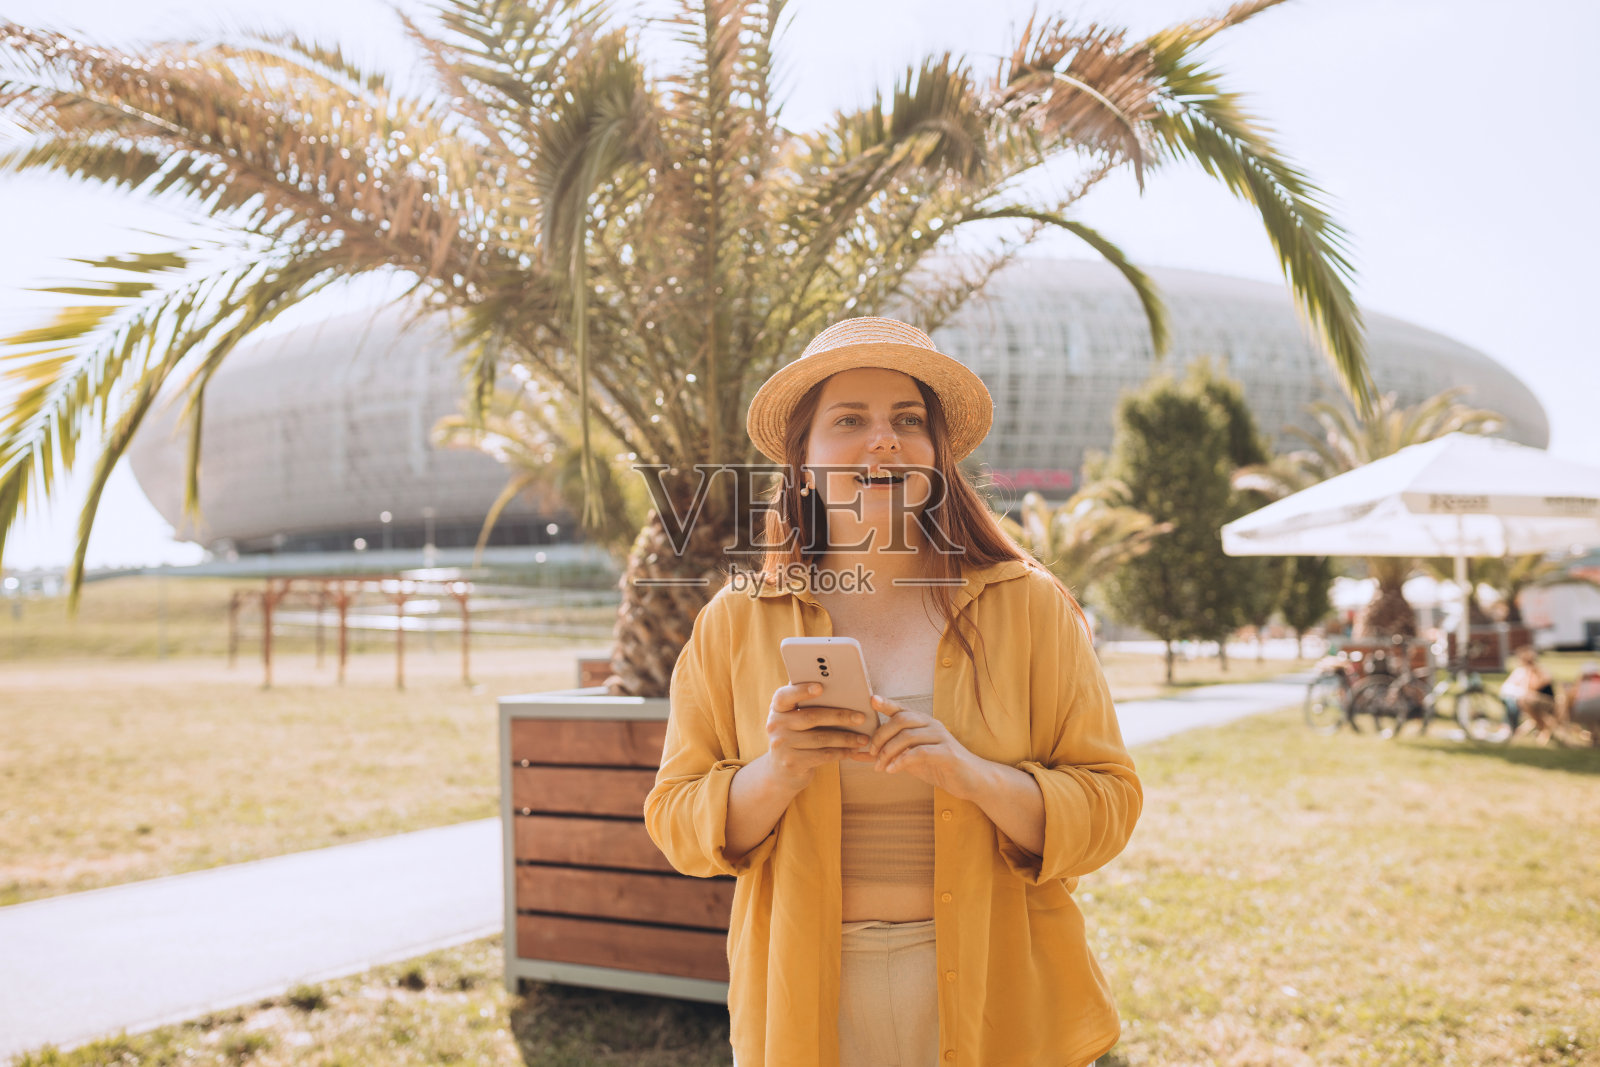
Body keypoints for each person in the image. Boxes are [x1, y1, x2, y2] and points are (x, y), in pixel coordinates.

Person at [644, 317, 1143, 1067]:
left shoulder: (1029, 606)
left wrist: (972, 774)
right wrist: (778, 771)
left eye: (908, 420)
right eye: (850, 420)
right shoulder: (734, 621)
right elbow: (676, 823)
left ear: (938, 456)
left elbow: (1109, 804)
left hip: (999, 989)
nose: (884, 440)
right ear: (803, 463)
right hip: (802, 1001)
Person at [1499, 644, 1555, 734]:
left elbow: (1534, 687)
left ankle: (1510, 728)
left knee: (1521, 701)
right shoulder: (1523, 671)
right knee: (1511, 701)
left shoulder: (1540, 671)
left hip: (1546, 702)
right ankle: (1508, 727)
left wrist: (1529, 675)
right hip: (1532, 700)